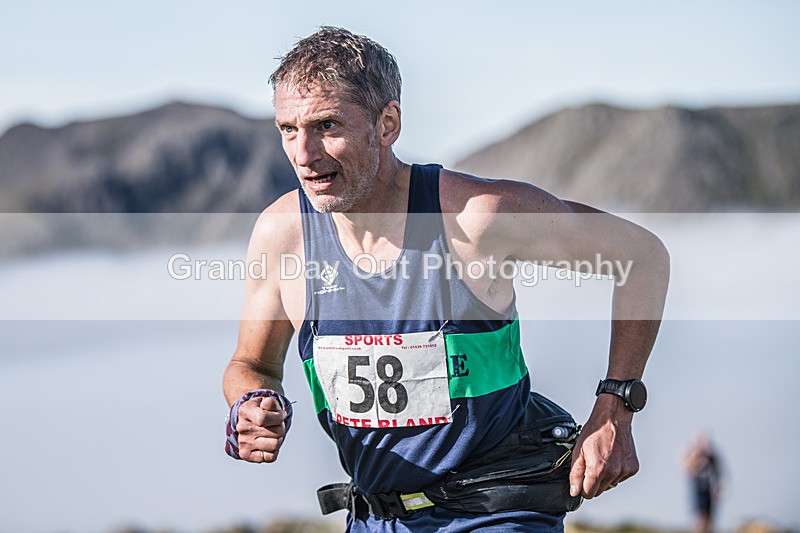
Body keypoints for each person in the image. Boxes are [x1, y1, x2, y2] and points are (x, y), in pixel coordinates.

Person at [222, 26, 670, 532]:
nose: (303, 153)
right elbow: (251, 362)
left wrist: (615, 406)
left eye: (327, 126)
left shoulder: (477, 219)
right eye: (287, 129)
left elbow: (641, 256)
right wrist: (251, 403)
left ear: (387, 124)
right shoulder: (283, 235)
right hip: (374, 516)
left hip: (496, 511)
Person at [683, 433, 723, 533]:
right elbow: (687, 470)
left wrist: (718, 486)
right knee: (700, 516)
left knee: (709, 517)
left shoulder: (712, 457)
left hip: (709, 489)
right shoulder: (692, 454)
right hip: (697, 489)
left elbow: (717, 472)